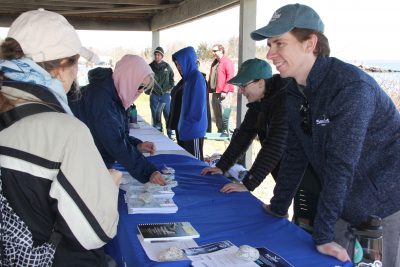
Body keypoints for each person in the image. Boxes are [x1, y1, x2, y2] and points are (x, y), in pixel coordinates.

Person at [251, 3, 400, 265]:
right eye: (269, 45)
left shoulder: (351, 87)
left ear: (310, 43)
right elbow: (296, 153)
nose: (270, 54)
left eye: (279, 44)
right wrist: (278, 206)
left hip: (388, 208)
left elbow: (342, 164)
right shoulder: (293, 92)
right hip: (344, 205)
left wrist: (321, 235)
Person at [0, 9, 119, 266]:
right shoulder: (66, 131)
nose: (77, 72)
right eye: (76, 62)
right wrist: (109, 185)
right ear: (61, 68)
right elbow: (98, 231)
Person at [70, 54, 166, 185]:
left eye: (145, 88)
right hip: (79, 164)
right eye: (139, 86)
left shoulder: (116, 95)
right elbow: (115, 143)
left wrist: (137, 145)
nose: (141, 91)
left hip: (91, 161)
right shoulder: (102, 99)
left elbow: (119, 134)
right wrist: (148, 172)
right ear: (128, 80)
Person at [201, 58, 288, 194]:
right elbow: (243, 136)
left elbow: (275, 145)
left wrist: (248, 183)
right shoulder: (259, 103)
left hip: (309, 172)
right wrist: (221, 166)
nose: (240, 91)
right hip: (285, 173)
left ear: (260, 83)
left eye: (243, 86)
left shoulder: (284, 102)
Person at [172, 46, 208, 160]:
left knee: (196, 164)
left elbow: (197, 108)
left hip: (193, 131)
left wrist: (187, 122)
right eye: (176, 64)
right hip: (186, 130)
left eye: (180, 63)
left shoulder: (196, 77)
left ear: (187, 61)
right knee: (187, 162)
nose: (179, 67)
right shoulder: (188, 79)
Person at [208, 44, 234, 136]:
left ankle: (229, 132)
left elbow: (230, 77)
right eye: (212, 51)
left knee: (225, 114)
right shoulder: (215, 62)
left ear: (221, 51)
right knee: (217, 113)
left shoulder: (227, 62)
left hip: (224, 93)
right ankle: (221, 131)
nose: (213, 53)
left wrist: (225, 91)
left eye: (215, 51)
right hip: (215, 92)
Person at [149, 46, 175, 139]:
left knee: (167, 114)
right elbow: (146, 79)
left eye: (159, 55)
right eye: (155, 54)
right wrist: (149, 91)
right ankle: (158, 135)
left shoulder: (167, 66)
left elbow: (172, 78)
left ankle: (170, 134)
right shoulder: (150, 66)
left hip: (165, 95)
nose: (157, 56)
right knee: (156, 116)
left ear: (162, 56)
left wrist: (169, 88)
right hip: (154, 95)